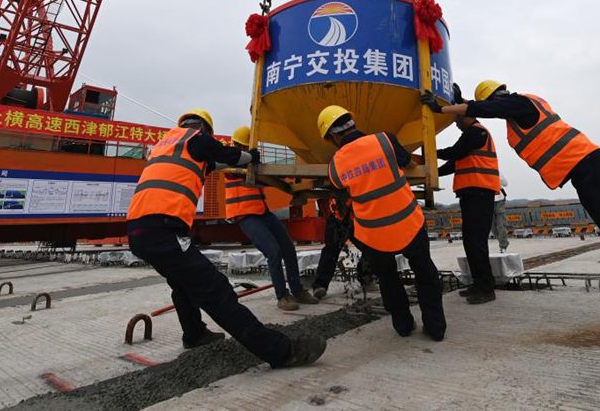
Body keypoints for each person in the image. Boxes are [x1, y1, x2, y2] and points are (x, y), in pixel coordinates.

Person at [421, 81, 600, 342]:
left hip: (592, 169)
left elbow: (486, 109)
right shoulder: (518, 116)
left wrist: (443, 107)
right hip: (587, 172)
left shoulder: (521, 102)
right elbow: (485, 110)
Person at [126, 109, 326, 368]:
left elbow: (215, 163)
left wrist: (239, 161)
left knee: (182, 283)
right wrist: (250, 156)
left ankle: (195, 334)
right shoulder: (196, 139)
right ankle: (281, 352)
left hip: (138, 231)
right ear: (205, 129)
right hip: (163, 229)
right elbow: (228, 155)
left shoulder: (165, 146)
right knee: (216, 290)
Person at [318, 104, 446, 341]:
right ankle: (436, 327)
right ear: (353, 123)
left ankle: (403, 325)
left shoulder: (335, 164)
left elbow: (339, 188)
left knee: (388, 279)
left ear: (332, 137)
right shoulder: (384, 140)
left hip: (374, 234)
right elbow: (408, 164)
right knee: (425, 272)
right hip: (409, 223)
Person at [226, 126, 320, 310]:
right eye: (243, 148)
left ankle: (298, 290)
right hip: (246, 216)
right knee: (273, 251)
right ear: (237, 145)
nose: (245, 151)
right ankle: (282, 296)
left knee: (288, 248)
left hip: (263, 213)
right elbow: (233, 169)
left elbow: (263, 179)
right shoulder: (229, 161)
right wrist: (249, 158)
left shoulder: (251, 163)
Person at [436, 102, 501, 304]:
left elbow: (456, 151)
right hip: (472, 194)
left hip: (480, 193)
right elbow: (453, 163)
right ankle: (478, 283)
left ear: (466, 116)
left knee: (476, 242)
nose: (456, 125)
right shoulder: (471, 135)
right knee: (471, 242)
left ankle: (486, 288)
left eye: (457, 120)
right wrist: (430, 170)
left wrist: (431, 152)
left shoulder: (477, 133)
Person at [493, 176, 510, 253]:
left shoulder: (497, 170)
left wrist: (497, 175)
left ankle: (503, 246)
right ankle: (501, 242)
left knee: (501, 224)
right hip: (486, 200)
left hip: (499, 200)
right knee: (493, 227)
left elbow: (505, 183)